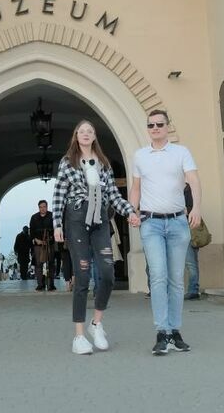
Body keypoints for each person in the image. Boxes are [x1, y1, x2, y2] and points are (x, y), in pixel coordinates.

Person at [52, 120, 140, 354]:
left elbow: (113, 195)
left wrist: (130, 211)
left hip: (100, 219)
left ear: (94, 136)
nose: (86, 134)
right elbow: (59, 193)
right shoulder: (67, 162)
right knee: (82, 276)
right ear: (76, 135)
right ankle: (79, 336)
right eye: (82, 131)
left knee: (108, 274)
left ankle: (96, 323)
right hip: (77, 219)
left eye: (90, 131)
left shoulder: (103, 163)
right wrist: (57, 224)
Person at [129, 109, 201, 356]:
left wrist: (197, 208)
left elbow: (193, 179)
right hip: (151, 224)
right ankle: (162, 332)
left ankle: (175, 331)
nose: (155, 128)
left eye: (160, 124)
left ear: (168, 126)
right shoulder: (140, 156)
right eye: (151, 125)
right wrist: (132, 210)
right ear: (147, 128)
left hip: (178, 222)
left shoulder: (181, 152)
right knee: (158, 276)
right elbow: (136, 188)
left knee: (176, 279)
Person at [29, 200, 56, 291]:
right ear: (39, 207)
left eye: (44, 206)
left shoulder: (52, 216)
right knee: (39, 264)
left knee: (51, 263)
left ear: (47, 207)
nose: (42, 208)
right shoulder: (34, 217)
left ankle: (51, 284)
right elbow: (31, 232)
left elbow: (56, 228)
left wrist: (50, 239)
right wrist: (38, 241)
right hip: (38, 244)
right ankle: (40, 284)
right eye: (41, 207)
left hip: (50, 243)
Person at [183, 185, 200, 299]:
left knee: (191, 262)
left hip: (189, 230)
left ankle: (193, 290)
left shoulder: (188, 190)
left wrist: (184, 210)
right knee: (191, 262)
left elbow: (192, 209)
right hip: (183, 230)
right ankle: (193, 289)